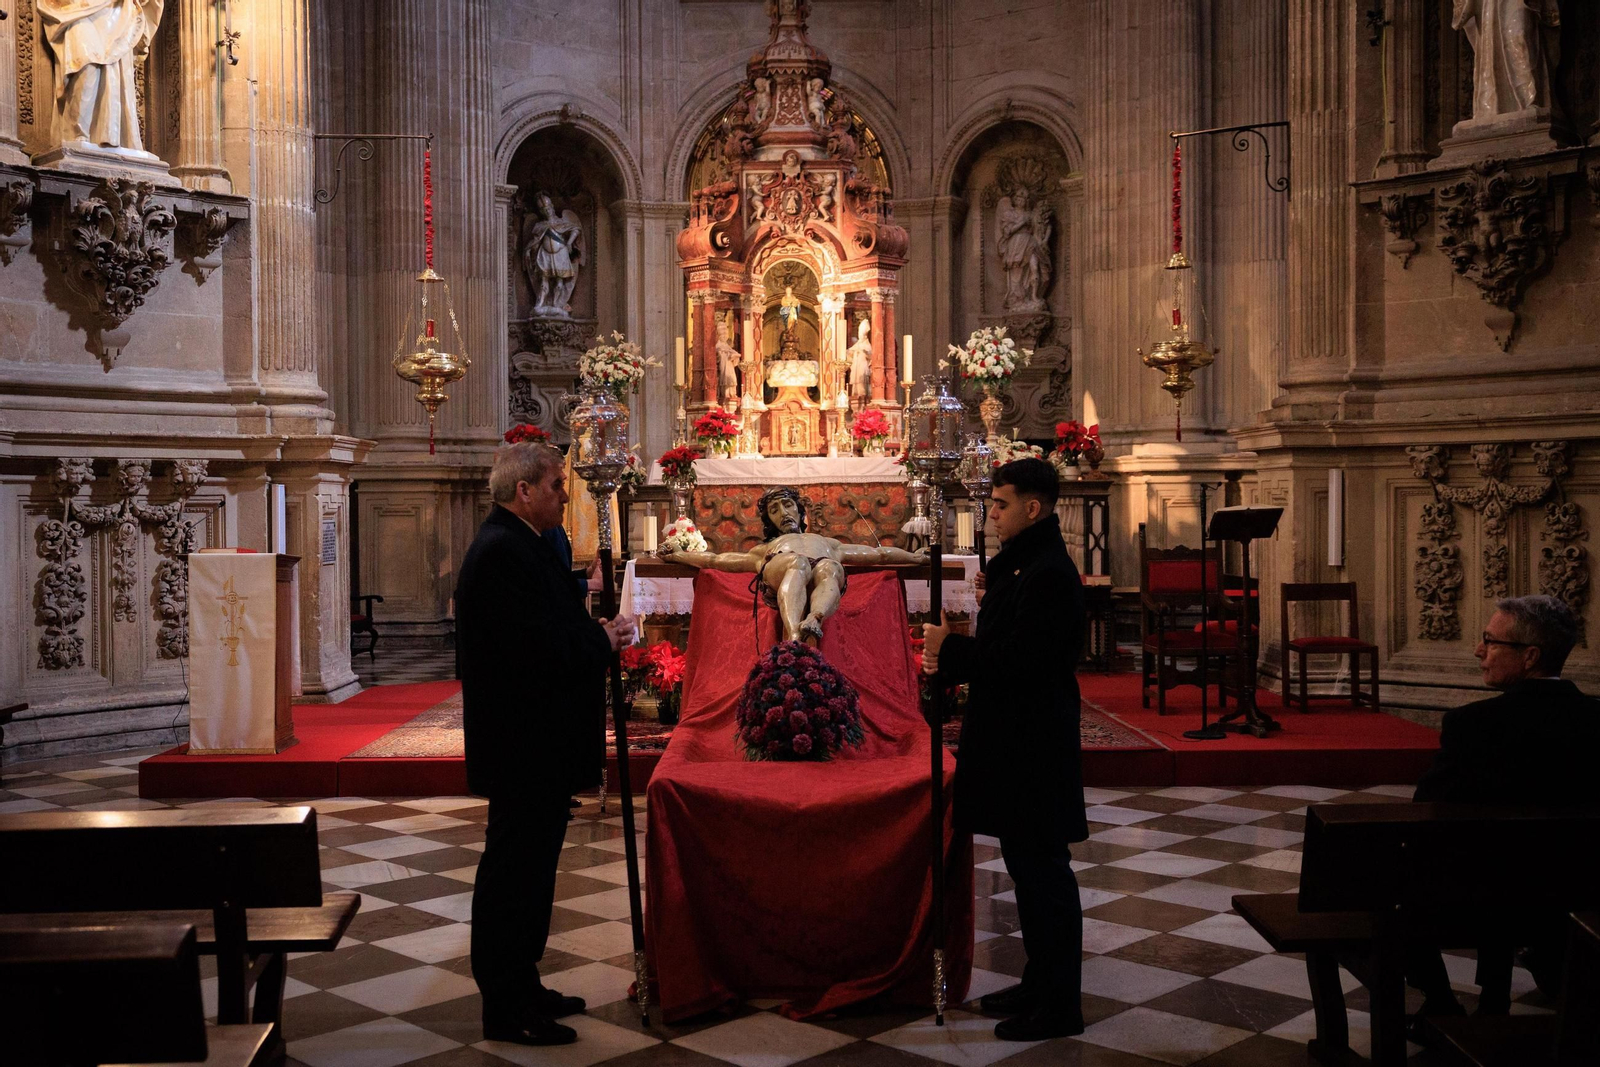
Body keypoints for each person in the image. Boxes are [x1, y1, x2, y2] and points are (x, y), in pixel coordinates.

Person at [456, 441, 635, 1047]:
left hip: (537, 745)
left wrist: (596, 630)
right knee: (513, 875)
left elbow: (551, 623)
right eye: (558, 484)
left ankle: (524, 985)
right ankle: (504, 1008)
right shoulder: (501, 552)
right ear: (524, 490)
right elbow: (532, 649)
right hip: (520, 745)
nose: (565, 493)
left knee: (532, 874)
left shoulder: (526, 543)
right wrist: (601, 643)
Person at [922, 457, 1087, 1041]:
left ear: (1032, 508)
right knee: (1025, 867)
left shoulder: (1048, 572)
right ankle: (1038, 982)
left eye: (1000, 504)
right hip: (1016, 737)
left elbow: (1025, 661)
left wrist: (950, 650)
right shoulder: (1024, 563)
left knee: (1044, 873)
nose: (991, 514)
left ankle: (1060, 1005)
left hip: (1034, 742)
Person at [1406, 595, 1599, 1031]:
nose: (1479, 651)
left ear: (1530, 656)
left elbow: (1426, 811)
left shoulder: (1472, 726)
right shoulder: (1595, 721)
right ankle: (1540, 968)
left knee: (1392, 886)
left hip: (1479, 896)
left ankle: (1441, 1003)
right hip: (1580, 892)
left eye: (1490, 642)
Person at [659, 485, 925, 644]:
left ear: (799, 510)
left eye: (787, 505)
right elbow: (717, 560)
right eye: (774, 510)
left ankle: (815, 618)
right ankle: (794, 634)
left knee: (831, 568)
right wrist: (678, 555)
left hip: (822, 567)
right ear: (769, 520)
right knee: (797, 563)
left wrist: (915, 557)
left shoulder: (828, 543)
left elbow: (878, 554)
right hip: (784, 565)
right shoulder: (765, 549)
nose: (783, 513)